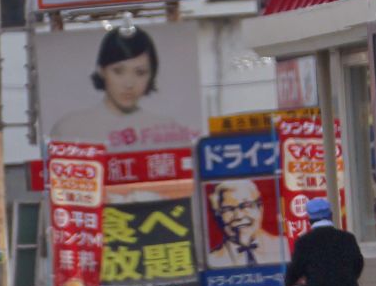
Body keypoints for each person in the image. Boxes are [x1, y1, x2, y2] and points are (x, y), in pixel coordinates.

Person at [47, 26, 195, 151]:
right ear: (101, 70)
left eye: (140, 72)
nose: (129, 84)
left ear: (152, 75)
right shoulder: (69, 129)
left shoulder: (168, 129)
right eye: (118, 71)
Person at [206, 181, 285, 267]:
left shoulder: (285, 247)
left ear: (260, 209)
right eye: (228, 209)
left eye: (246, 205)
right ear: (218, 216)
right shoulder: (211, 262)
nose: (239, 216)